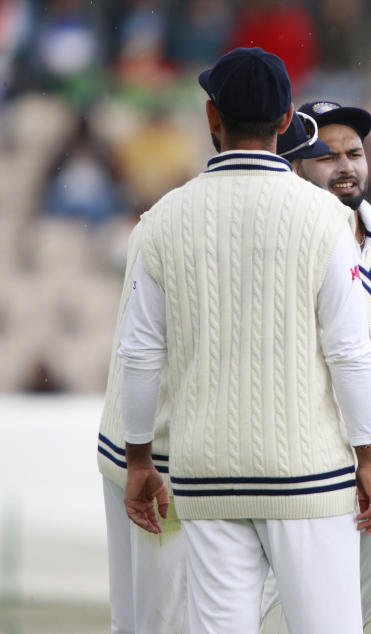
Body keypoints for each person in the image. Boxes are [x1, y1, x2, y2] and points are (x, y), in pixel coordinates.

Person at [117, 47, 371, 634]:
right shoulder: (324, 217)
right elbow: (348, 349)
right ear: (288, 119)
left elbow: (139, 354)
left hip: (205, 475)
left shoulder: (163, 218)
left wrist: (139, 458)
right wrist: (369, 456)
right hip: (308, 475)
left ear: (211, 117)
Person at [260, 99, 371, 634]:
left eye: (354, 153)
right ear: (295, 167)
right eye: (326, 156)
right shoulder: (277, 257)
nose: (345, 166)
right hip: (310, 495)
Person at [97, 217, 185, 634]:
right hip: (159, 457)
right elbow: (141, 350)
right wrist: (141, 459)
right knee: (161, 624)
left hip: (129, 442)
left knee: (133, 623)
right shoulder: (174, 224)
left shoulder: (159, 219)